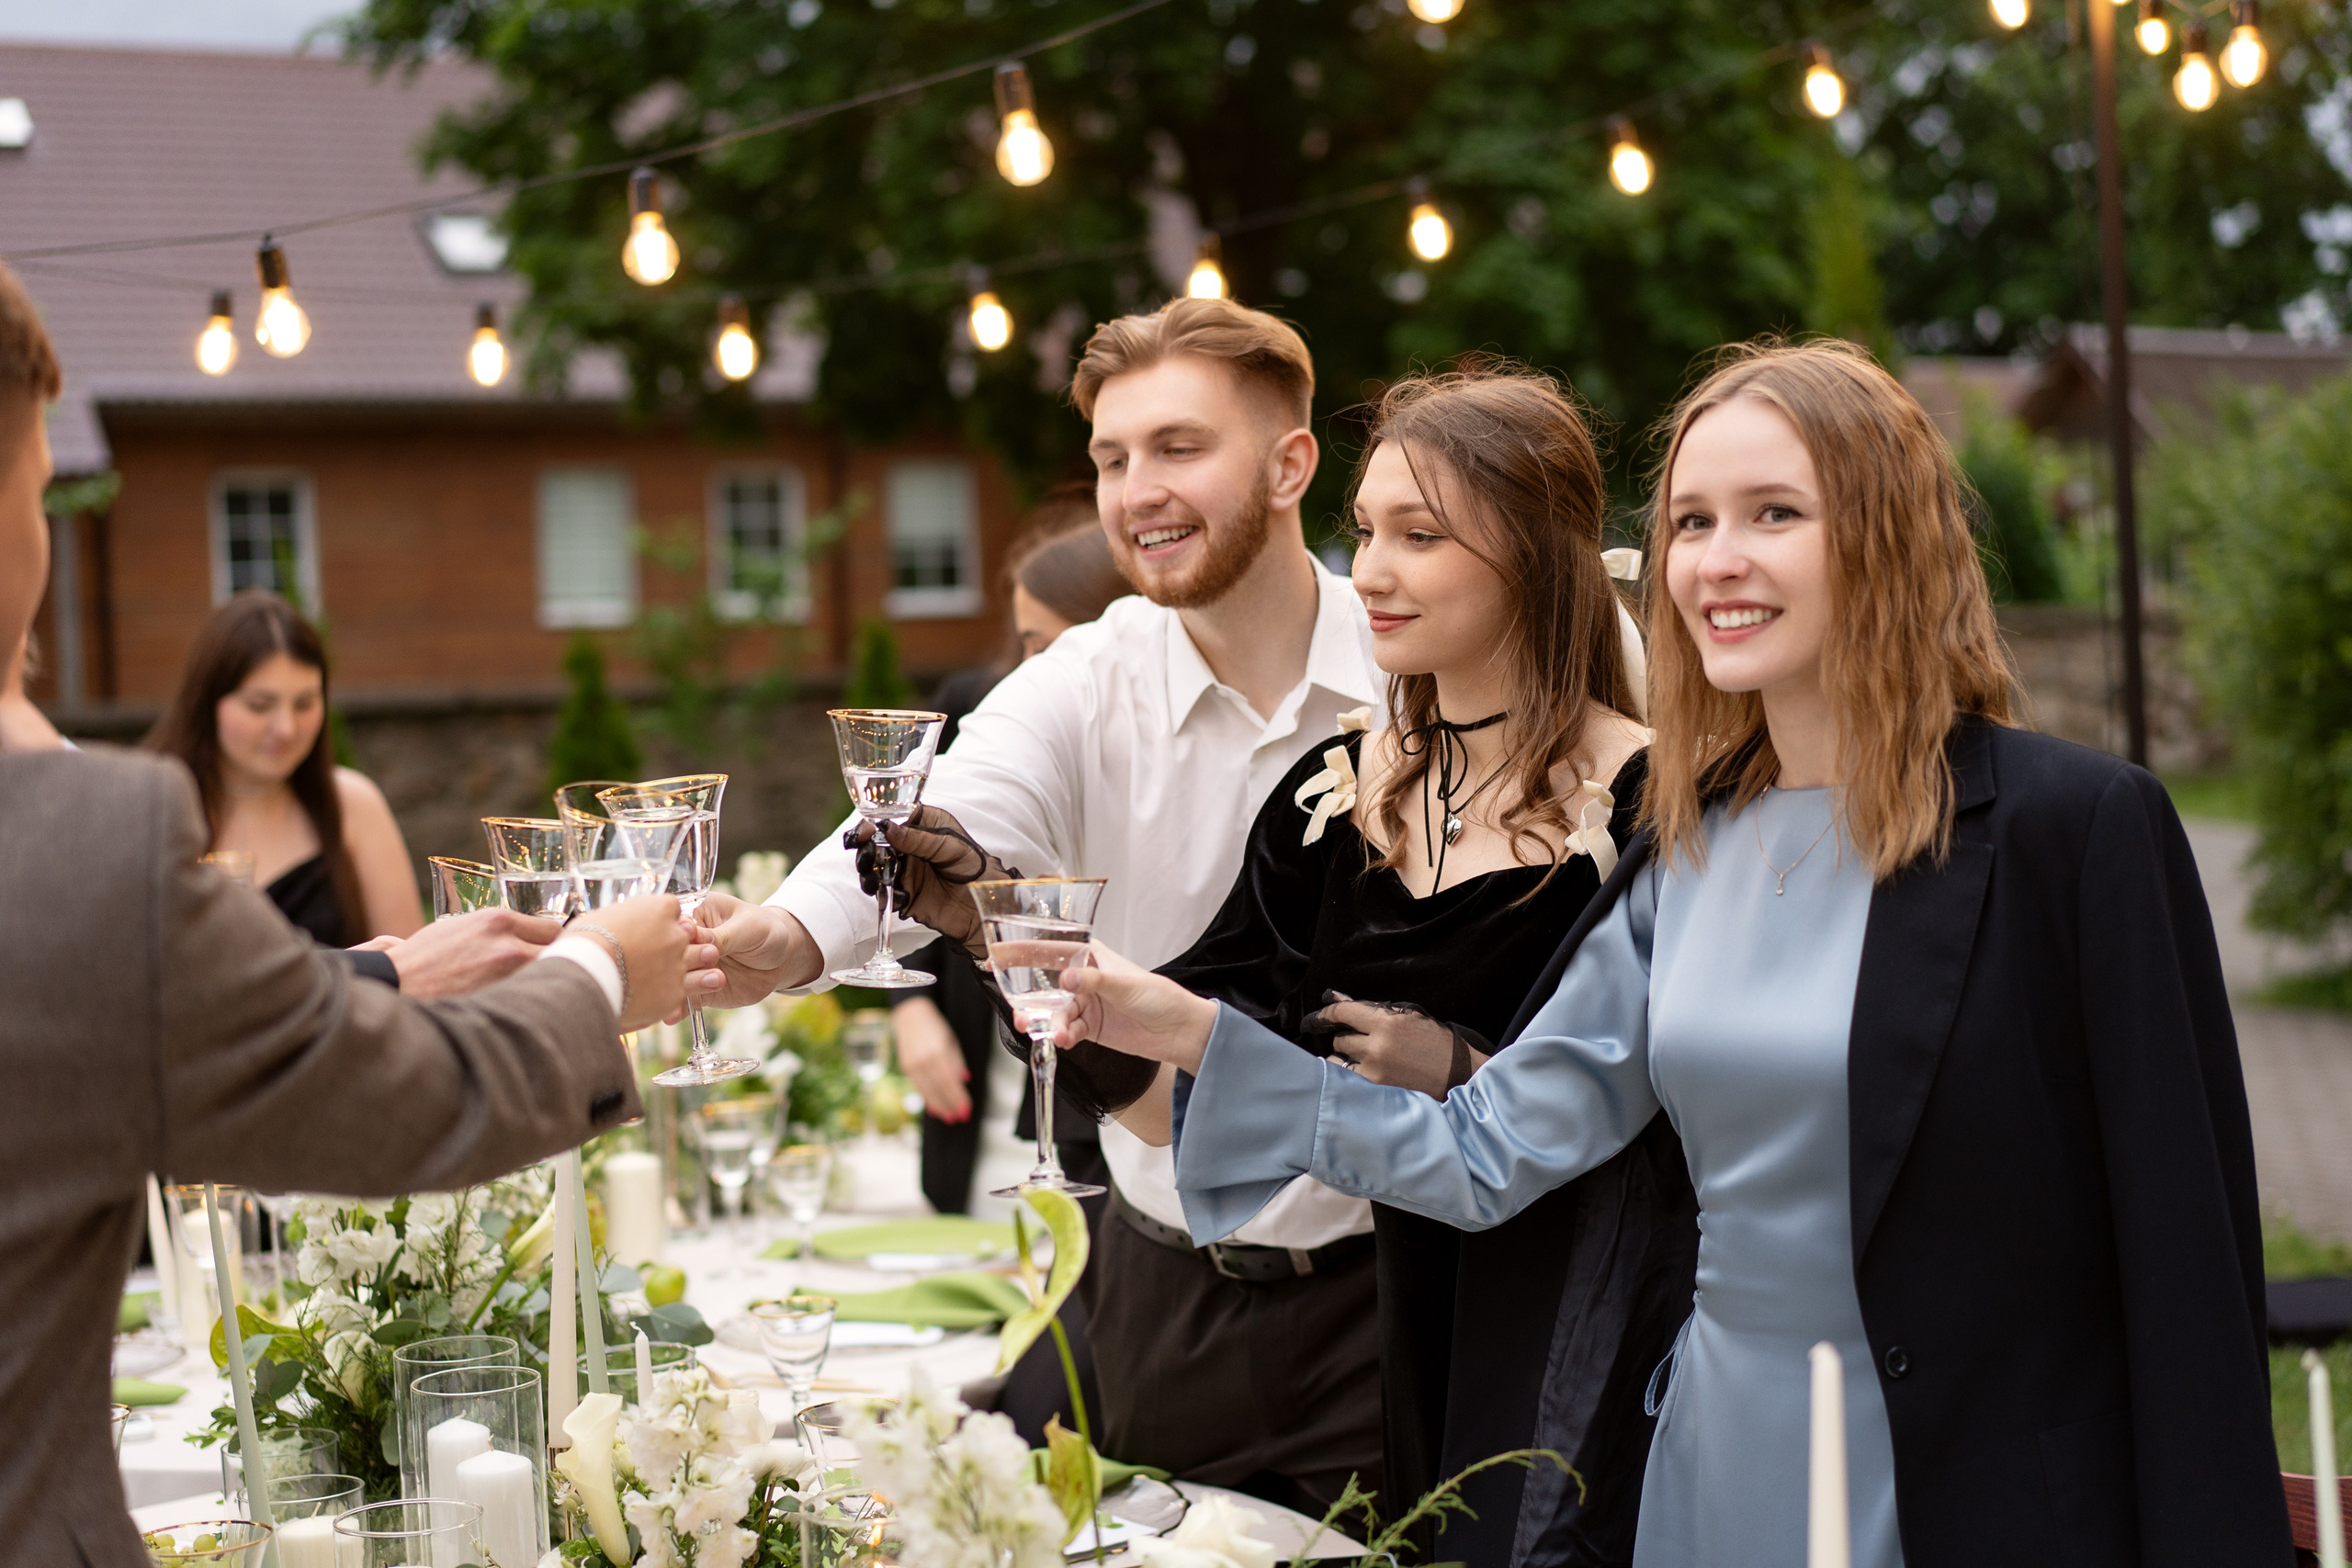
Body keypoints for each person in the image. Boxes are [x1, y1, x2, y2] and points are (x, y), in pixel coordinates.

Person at [1052, 339, 2291, 1567]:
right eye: (1692, 520)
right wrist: (1186, 1030)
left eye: (1774, 512)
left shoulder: (2075, 831)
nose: (1719, 557)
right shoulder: (1687, 844)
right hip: (1710, 1470)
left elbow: (2189, 1267)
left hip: (1975, 1491)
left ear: (1885, 536)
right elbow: (1486, 1146)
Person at [0, 260, 692, 1564]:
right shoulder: (79, 842)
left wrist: (372, 970)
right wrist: (602, 969)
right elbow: (406, 1104)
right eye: (34, 491)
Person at [689, 295, 1395, 1515]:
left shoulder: (1412, 662)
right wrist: (785, 938)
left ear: (1291, 465)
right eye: (1112, 459)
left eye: (1179, 446)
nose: (1136, 489)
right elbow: (936, 810)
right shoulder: (1085, 677)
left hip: (1398, 1296)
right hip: (1160, 1295)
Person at [1076, 362, 1690, 1563]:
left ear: (1535, 554)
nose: (1377, 573)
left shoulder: (1653, 803)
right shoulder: (1334, 791)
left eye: (1422, 534)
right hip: (1400, 1311)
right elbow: (1222, 1030)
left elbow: (1689, 1102)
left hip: (1583, 1311)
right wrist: (1070, 1005)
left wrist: (1471, 1064)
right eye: (1365, 533)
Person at [900, 508, 1133, 1213]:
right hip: (981, 1090)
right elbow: (893, 864)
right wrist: (909, 1006)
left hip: (1107, 1117)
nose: (1039, 672)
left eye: (1054, 644)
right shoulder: (977, 713)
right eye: (1028, 644)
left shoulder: (1158, 760)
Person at [147, 590, 425, 946]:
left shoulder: (353, 805)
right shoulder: (154, 809)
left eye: (305, 703)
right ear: (206, 701)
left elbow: (413, 968)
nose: (286, 728)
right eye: (260, 705)